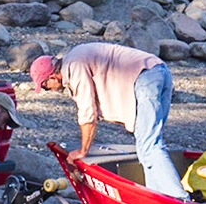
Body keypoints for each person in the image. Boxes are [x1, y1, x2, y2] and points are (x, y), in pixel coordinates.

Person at [30, 43, 179, 195]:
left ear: (52, 77)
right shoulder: (75, 59)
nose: (49, 90)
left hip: (145, 76)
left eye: (45, 87)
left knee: (149, 145)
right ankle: (158, 196)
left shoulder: (73, 67)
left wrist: (83, 150)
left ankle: (178, 199)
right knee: (147, 146)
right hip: (158, 71)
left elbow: (88, 111)